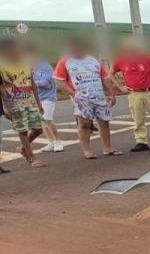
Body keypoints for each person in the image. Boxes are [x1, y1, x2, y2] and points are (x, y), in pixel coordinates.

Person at [54, 37, 120, 158]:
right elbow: (59, 80)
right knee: (84, 124)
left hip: (99, 96)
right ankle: (87, 151)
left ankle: (107, 148)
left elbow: (105, 78)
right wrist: (73, 93)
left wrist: (111, 94)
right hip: (82, 98)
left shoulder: (93, 60)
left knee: (104, 122)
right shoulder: (65, 61)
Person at [0, 38, 46, 168]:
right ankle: (31, 158)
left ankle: (23, 148)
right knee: (23, 130)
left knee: (38, 129)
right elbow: (2, 88)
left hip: (30, 101)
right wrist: (6, 106)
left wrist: (38, 102)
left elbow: (33, 84)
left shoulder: (25, 64)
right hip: (15, 103)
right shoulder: (2, 67)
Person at [30, 43, 62, 152]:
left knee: (47, 119)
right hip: (38, 98)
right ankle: (51, 142)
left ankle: (58, 142)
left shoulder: (45, 66)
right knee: (42, 121)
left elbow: (46, 82)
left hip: (48, 97)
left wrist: (32, 83)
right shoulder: (31, 67)